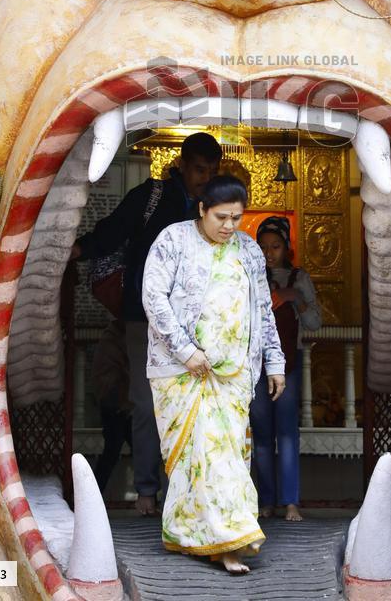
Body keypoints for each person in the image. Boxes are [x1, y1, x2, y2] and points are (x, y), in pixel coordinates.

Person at [142, 175, 285, 574]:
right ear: (202, 210)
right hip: (181, 372)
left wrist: (275, 362)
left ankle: (215, 538)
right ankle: (209, 539)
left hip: (234, 375)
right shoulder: (173, 241)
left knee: (224, 456)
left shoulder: (250, 251)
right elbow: (154, 300)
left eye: (237, 218)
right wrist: (186, 352)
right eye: (221, 217)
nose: (229, 226)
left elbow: (262, 311)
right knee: (197, 457)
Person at [73, 131, 222, 515]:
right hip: (145, 318)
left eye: (211, 171)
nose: (205, 177)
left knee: (192, 403)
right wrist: (77, 249)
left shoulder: (214, 208)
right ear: (183, 166)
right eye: (199, 169)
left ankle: (186, 492)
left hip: (196, 323)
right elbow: (113, 229)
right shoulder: (153, 197)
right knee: (145, 402)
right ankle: (145, 492)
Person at [250, 216, 322, 521]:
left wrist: (297, 299)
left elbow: (315, 323)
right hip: (255, 368)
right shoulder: (250, 275)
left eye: (275, 246)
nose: (269, 253)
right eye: (263, 247)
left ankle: (291, 502)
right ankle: (266, 501)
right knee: (262, 436)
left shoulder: (298, 278)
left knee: (288, 434)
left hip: (288, 367)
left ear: (286, 247)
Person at [92, 318, 132, 494]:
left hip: (118, 402)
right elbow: (111, 375)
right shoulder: (116, 339)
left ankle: (95, 493)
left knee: (114, 450)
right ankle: (95, 493)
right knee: (113, 451)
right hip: (115, 403)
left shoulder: (113, 337)